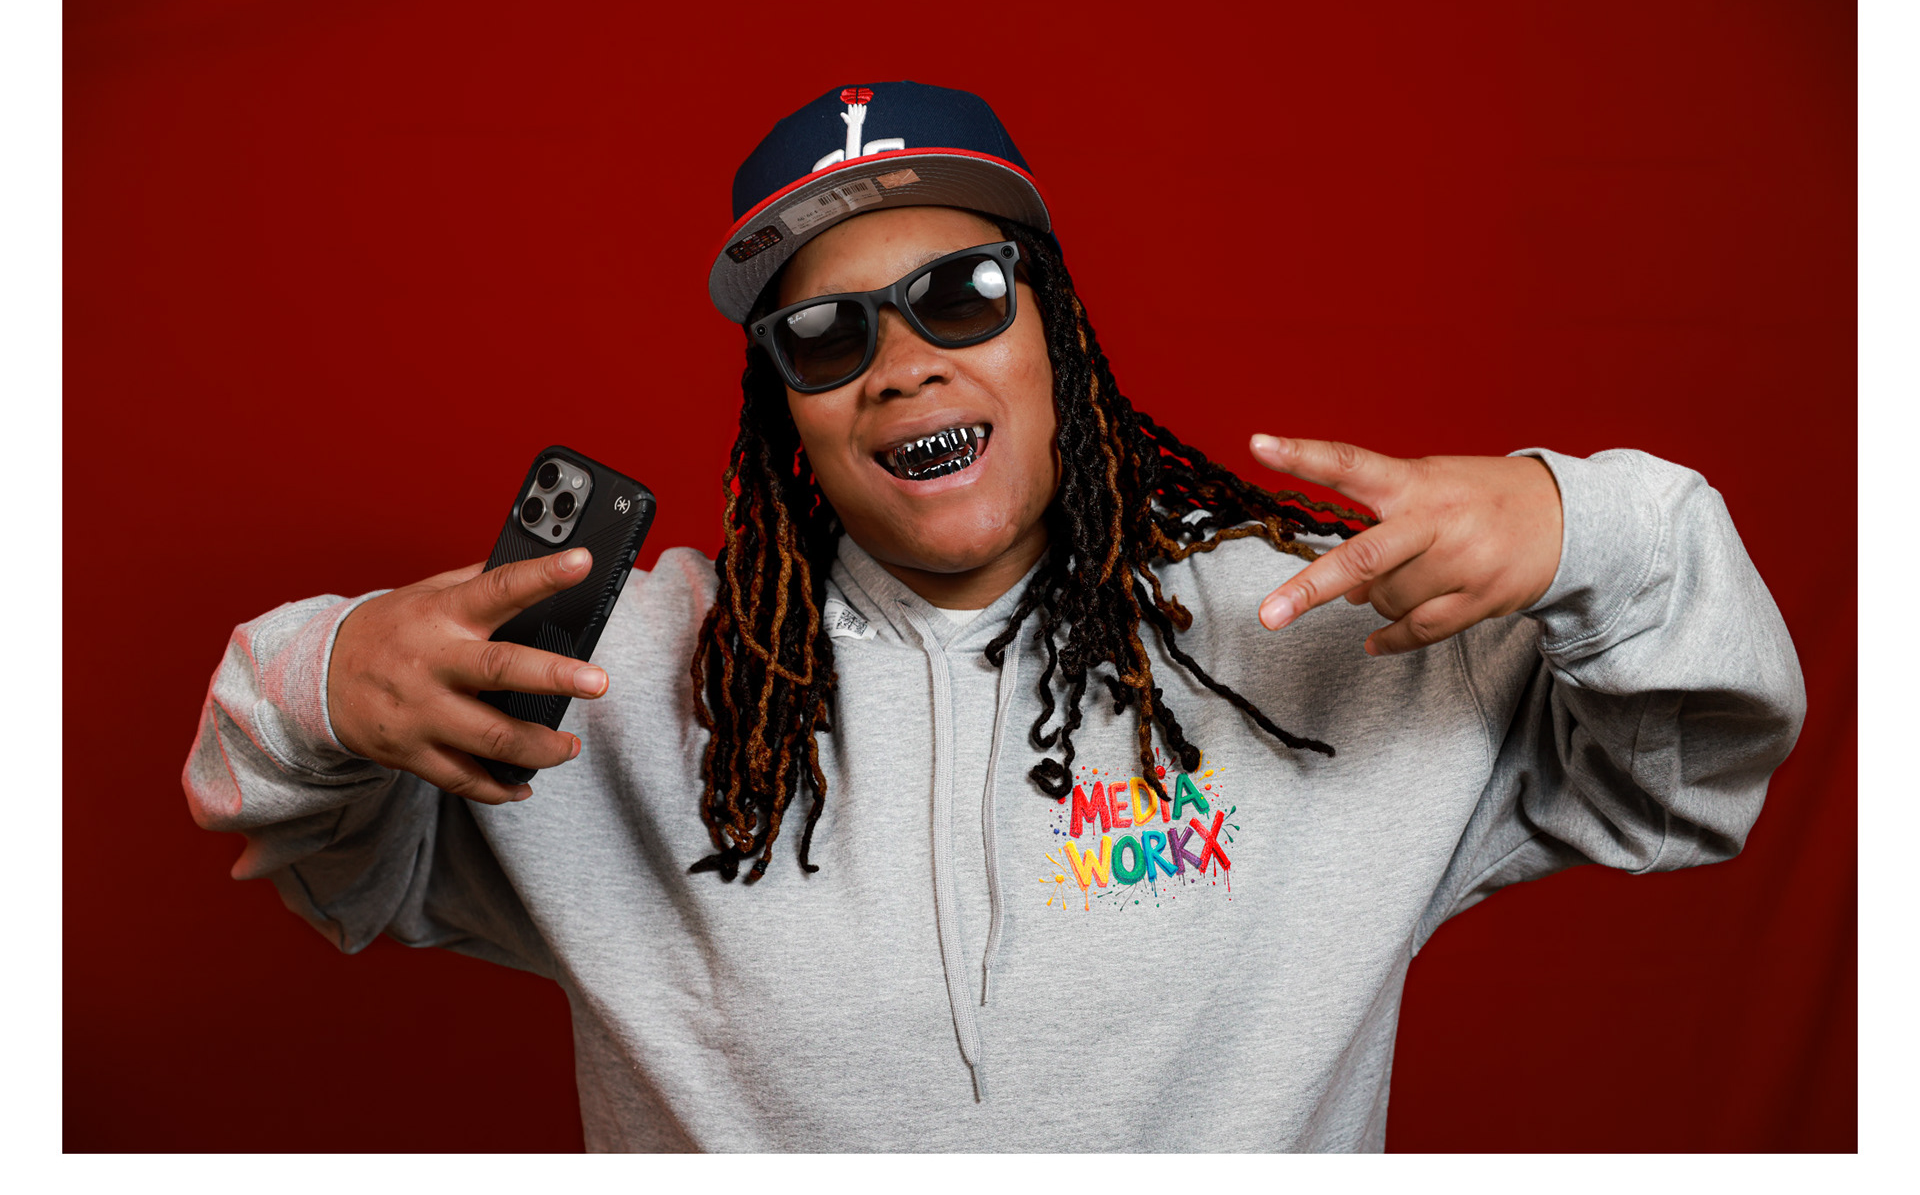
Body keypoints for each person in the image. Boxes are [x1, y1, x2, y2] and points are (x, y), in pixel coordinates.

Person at [182, 81, 1806, 1152]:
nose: (901, 365)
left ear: (1057, 337)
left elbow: (1685, 780)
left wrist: (1586, 524)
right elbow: (322, 847)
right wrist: (333, 680)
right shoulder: (617, 680)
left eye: (959, 296)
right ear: (787, 414)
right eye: (826, 336)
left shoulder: (1310, 630)